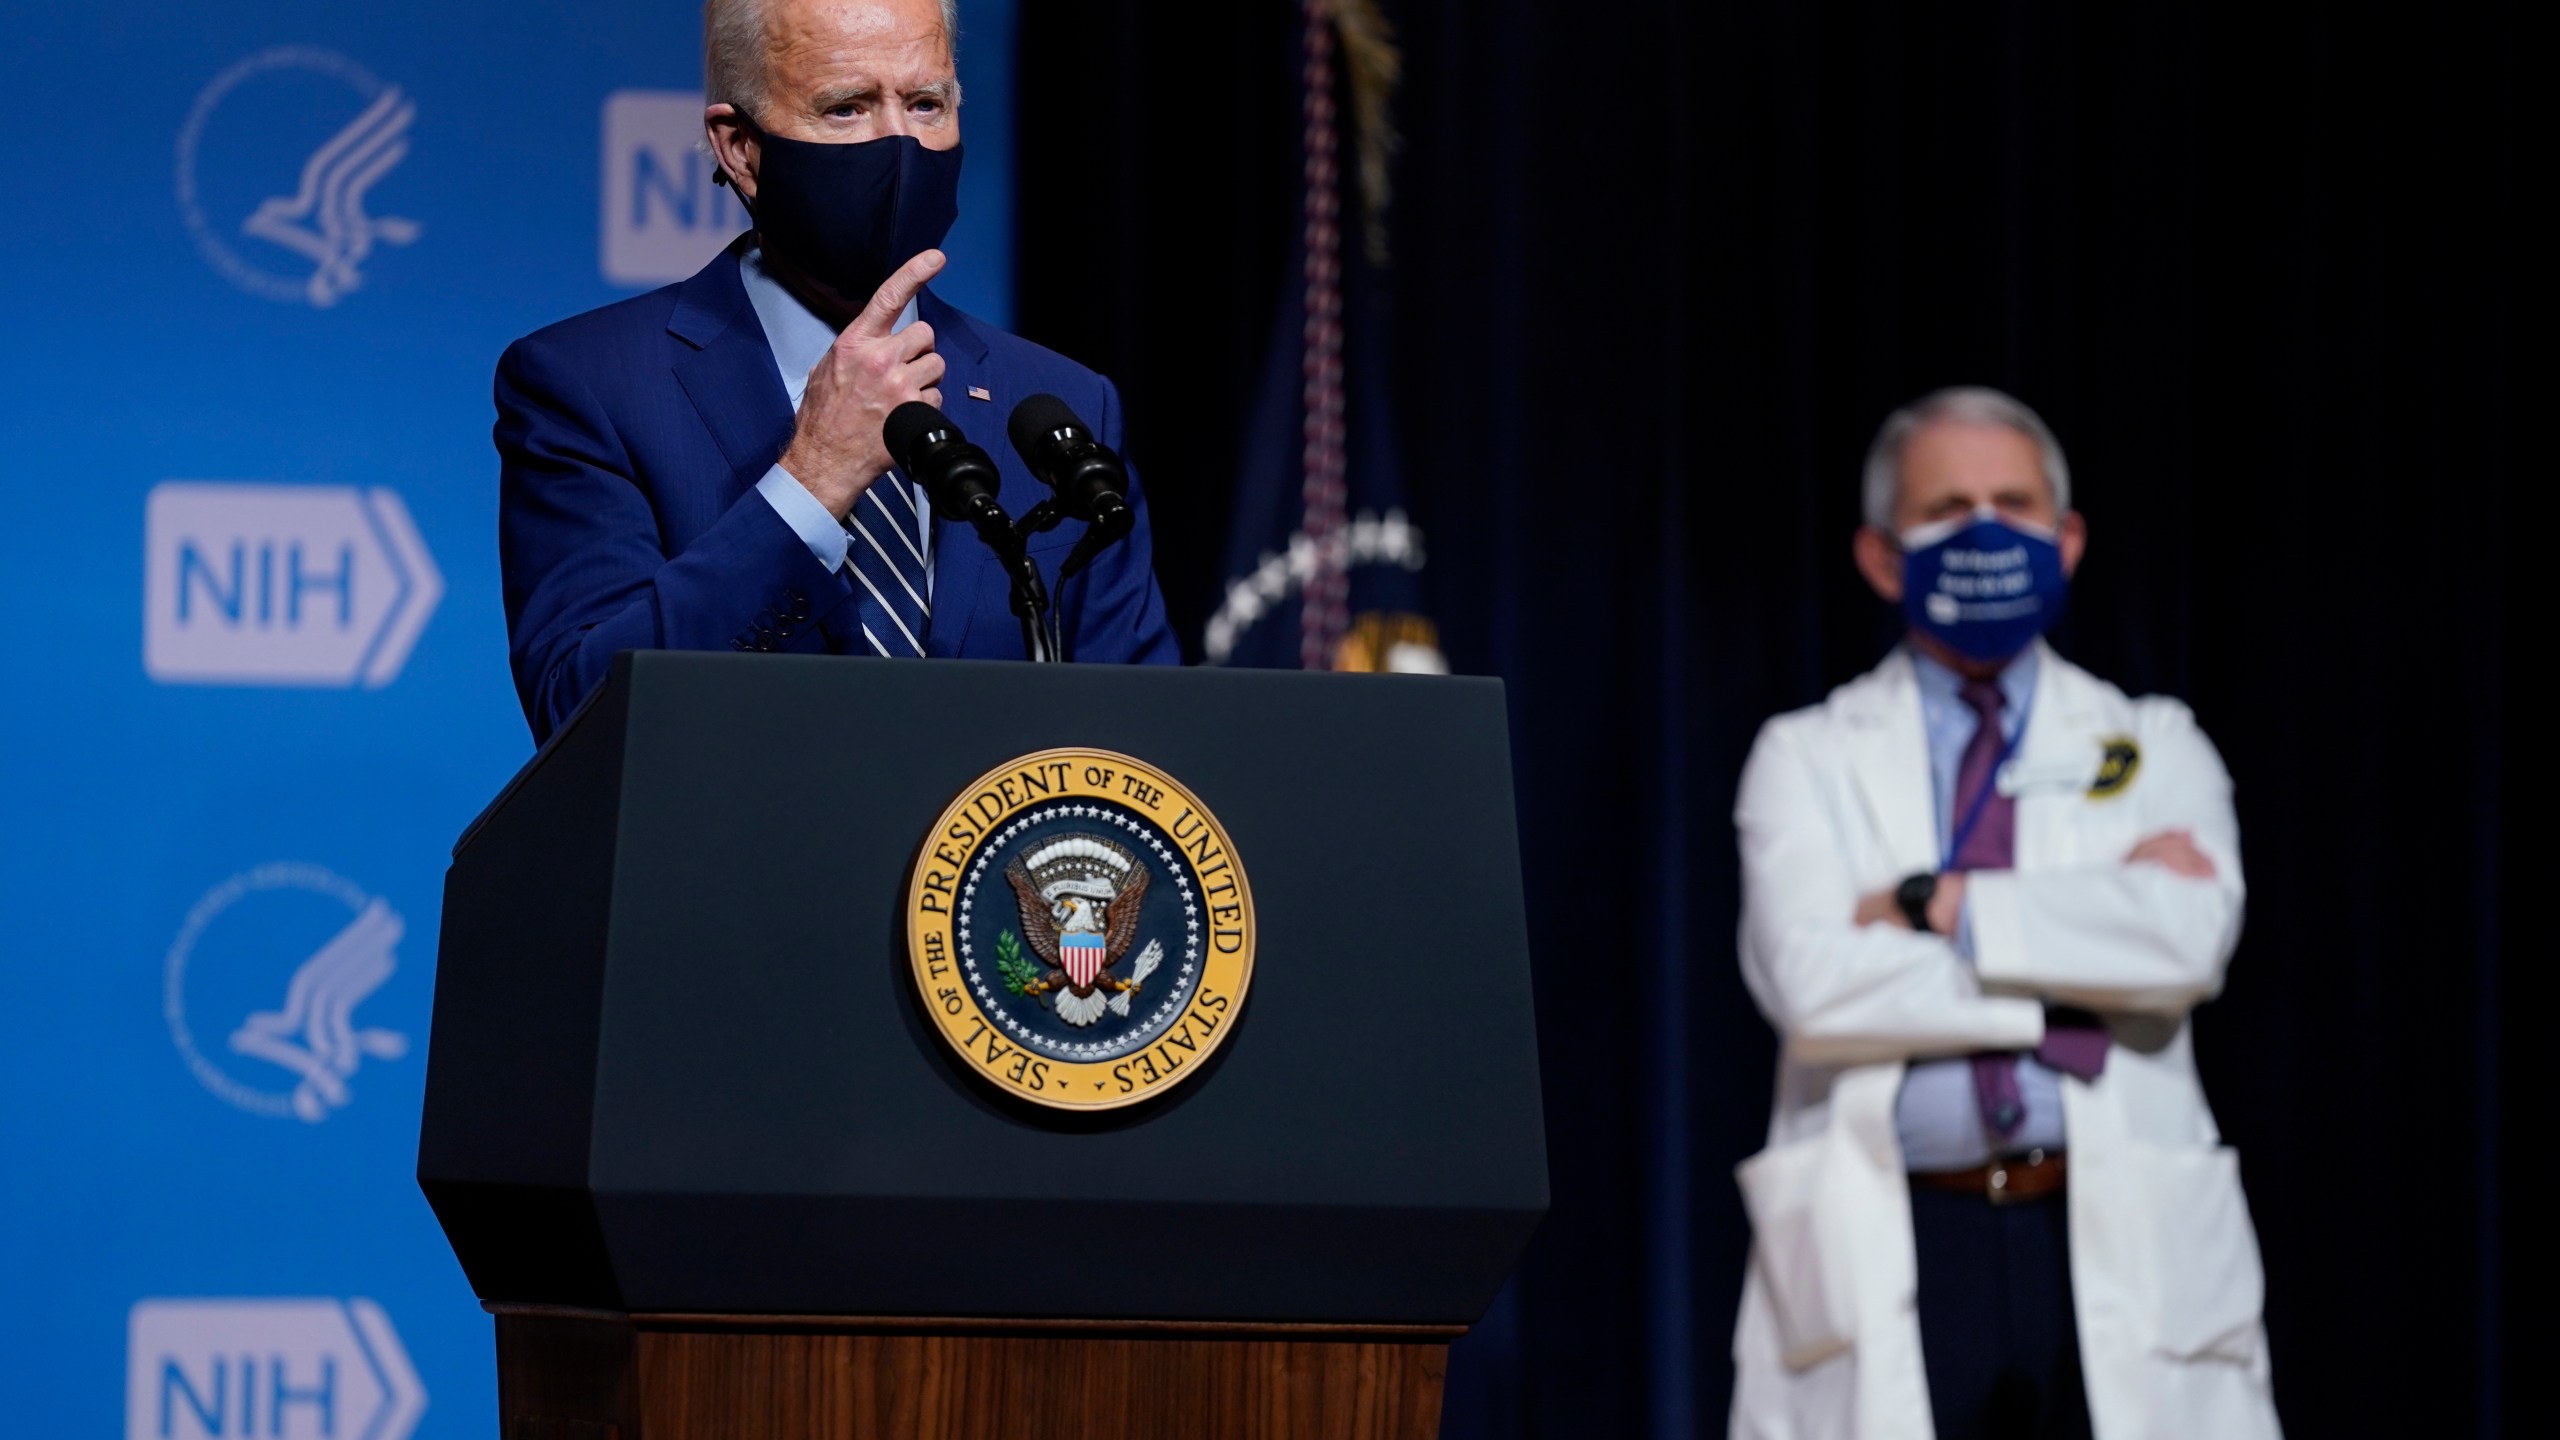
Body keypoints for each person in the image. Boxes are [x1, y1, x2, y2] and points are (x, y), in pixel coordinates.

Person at [1726, 388, 2279, 1439]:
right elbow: (1813, 987)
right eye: (1945, 508)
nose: (1983, 531)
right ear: (1884, 557)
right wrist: (2071, 995)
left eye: (2012, 503)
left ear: (2065, 541)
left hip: (2109, 1228)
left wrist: (1933, 903)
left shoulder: (2153, 741)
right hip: (1901, 1233)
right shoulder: (1803, 756)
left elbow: (2184, 941)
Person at [494, 0, 1176, 742]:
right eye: (846, 108)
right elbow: (580, 717)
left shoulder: (1061, 402)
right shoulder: (589, 386)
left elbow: (1148, 744)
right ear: (740, 150)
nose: (899, 142)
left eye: (925, 103)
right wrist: (811, 480)